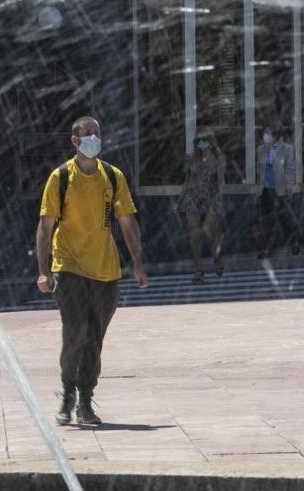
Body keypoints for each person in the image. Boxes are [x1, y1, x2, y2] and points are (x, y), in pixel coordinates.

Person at [35, 116, 149, 426]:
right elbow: (45, 227)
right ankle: (68, 392)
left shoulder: (113, 176)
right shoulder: (60, 178)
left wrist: (137, 263)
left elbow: (127, 221)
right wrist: (43, 271)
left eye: (96, 134)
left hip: (105, 270)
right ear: (74, 141)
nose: (93, 139)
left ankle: (86, 398)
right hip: (68, 266)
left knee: (95, 337)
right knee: (76, 332)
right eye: (87, 135)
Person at [175, 126, 225, 284]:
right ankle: (198, 270)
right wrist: (180, 200)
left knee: (210, 234)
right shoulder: (191, 158)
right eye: (199, 140)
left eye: (205, 140)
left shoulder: (219, 157)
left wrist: (218, 200)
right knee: (194, 236)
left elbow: (221, 181)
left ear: (211, 141)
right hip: (192, 199)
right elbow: (187, 181)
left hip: (211, 198)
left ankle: (216, 260)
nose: (202, 143)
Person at [255, 124, 300, 258]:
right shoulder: (261, 150)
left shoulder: (287, 149)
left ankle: (293, 242)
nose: (266, 137)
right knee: (267, 219)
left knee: (284, 217)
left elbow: (291, 169)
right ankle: (269, 247)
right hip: (266, 188)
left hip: (280, 188)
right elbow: (259, 170)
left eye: (269, 134)